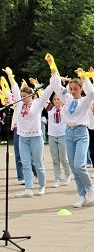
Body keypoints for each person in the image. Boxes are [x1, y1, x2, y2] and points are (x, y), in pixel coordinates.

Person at [48, 61, 94, 208]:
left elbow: (93, 93)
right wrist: (53, 68)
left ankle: (90, 187)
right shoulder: (67, 99)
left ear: (81, 89)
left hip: (82, 132)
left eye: (76, 89)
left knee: (79, 164)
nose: (73, 91)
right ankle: (81, 195)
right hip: (68, 133)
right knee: (73, 166)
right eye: (71, 88)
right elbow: (57, 86)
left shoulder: (85, 101)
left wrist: (84, 77)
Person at [3, 68, 53, 198]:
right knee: (25, 163)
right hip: (23, 137)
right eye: (22, 96)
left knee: (38, 163)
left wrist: (54, 80)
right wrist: (9, 75)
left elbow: (47, 94)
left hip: (36, 136)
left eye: (25, 97)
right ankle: (28, 188)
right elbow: (14, 87)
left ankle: (42, 186)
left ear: (32, 96)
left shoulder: (37, 103)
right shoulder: (19, 104)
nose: (23, 99)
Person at [46, 93, 72, 188]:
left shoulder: (65, 109)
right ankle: (57, 178)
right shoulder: (50, 108)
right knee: (55, 159)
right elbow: (43, 96)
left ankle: (67, 175)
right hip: (52, 136)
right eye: (55, 99)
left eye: (58, 99)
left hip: (62, 135)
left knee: (63, 158)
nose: (56, 100)